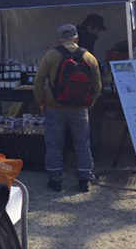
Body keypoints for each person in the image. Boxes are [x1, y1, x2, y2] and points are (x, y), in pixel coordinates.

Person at [33, 24, 102, 193]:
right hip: (80, 108)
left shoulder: (50, 55)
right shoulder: (89, 57)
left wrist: (42, 102)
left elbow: (39, 81)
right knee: (82, 143)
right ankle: (84, 179)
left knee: (54, 143)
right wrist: (88, 103)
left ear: (59, 39)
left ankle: (55, 180)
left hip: (54, 107)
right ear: (77, 38)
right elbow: (97, 86)